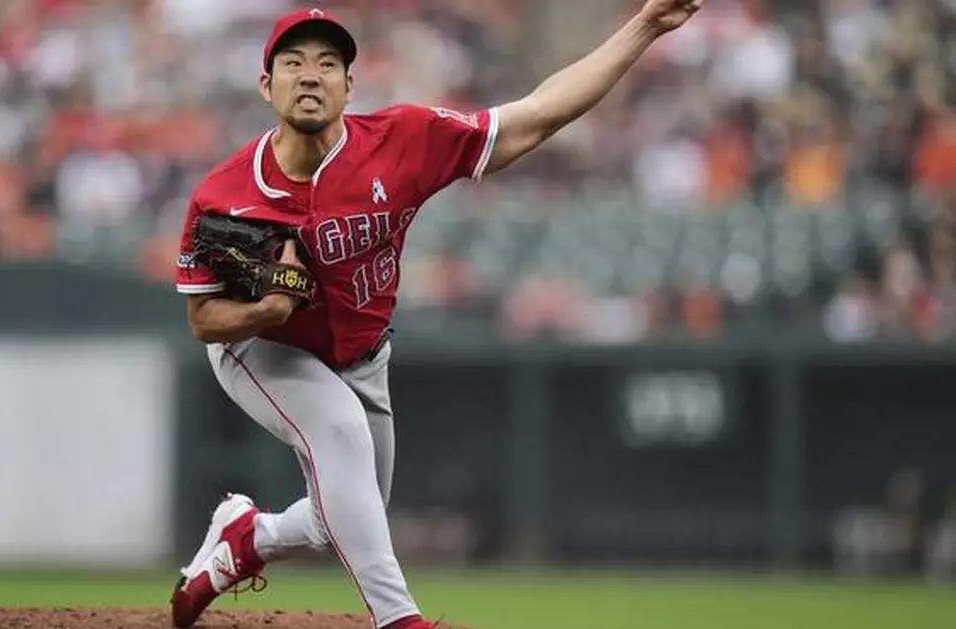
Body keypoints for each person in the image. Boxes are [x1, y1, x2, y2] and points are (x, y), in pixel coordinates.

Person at [170, 2, 704, 627]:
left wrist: (644, 26)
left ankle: (246, 540)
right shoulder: (226, 194)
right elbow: (203, 319)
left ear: (350, 85)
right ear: (267, 86)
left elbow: (537, 116)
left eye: (327, 63)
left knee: (342, 513)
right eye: (292, 63)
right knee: (338, 434)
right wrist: (265, 309)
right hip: (260, 348)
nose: (310, 74)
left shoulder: (403, 140)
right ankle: (399, 618)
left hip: (362, 354)